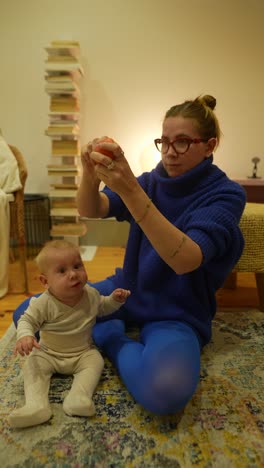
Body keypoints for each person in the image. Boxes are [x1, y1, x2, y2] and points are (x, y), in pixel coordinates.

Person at [14, 95, 246, 416]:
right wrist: (90, 174)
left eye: (181, 143)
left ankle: (109, 337)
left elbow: (185, 260)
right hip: (125, 290)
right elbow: (92, 209)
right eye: (163, 142)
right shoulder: (151, 180)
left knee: (166, 394)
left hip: (177, 308)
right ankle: (109, 325)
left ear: (209, 146)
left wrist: (131, 190)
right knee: (26, 315)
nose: (169, 153)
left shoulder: (226, 194)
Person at [9, 240, 130, 428]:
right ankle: (36, 405)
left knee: (96, 361)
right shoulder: (44, 303)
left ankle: (78, 398)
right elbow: (27, 320)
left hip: (82, 353)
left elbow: (103, 307)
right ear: (45, 281)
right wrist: (25, 335)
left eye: (77, 266)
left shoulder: (90, 293)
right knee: (31, 363)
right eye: (62, 271)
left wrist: (115, 300)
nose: (73, 274)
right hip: (48, 353)